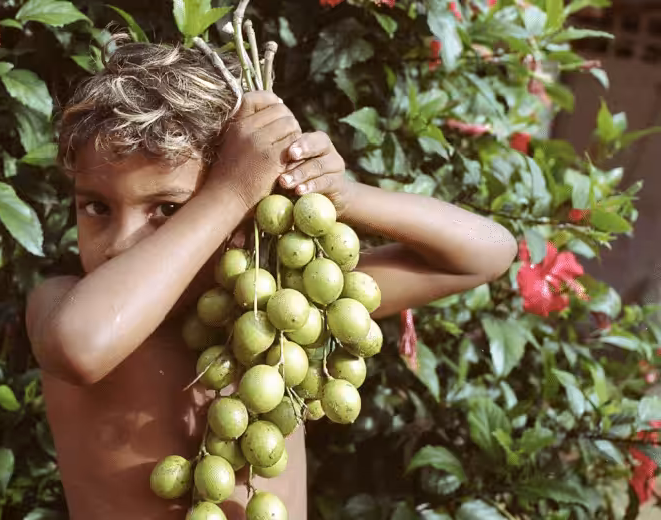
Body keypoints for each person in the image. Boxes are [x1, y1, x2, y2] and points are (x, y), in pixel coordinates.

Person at [25, 37, 518, 520]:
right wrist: (229, 194)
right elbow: (80, 346)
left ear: (251, 213)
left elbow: (486, 252)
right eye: (96, 207)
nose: (119, 242)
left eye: (168, 209)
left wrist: (340, 194)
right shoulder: (62, 304)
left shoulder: (285, 304)